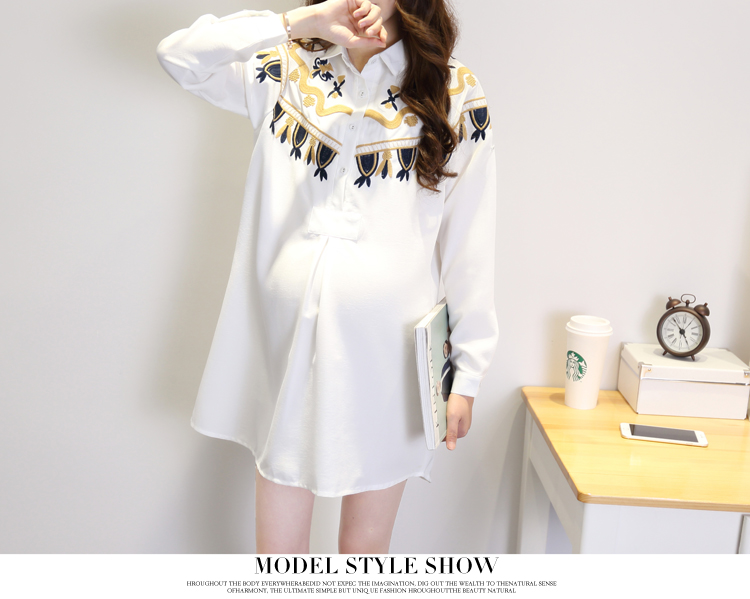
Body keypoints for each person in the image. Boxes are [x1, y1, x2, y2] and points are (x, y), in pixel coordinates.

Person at [156, 0, 498, 554]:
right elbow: (179, 57)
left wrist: (469, 376)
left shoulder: (453, 92)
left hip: (391, 361)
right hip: (287, 347)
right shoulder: (288, 65)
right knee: (279, 560)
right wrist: (298, 23)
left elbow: (469, 245)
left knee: (364, 555)